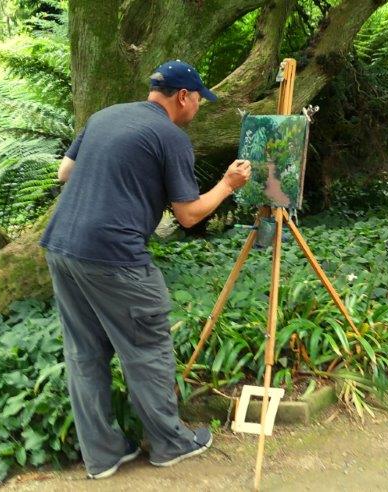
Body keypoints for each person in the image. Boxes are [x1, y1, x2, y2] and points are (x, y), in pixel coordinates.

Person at [41, 60, 251, 479]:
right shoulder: (170, 136)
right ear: (183, 97)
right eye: (198, 102)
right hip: (115, 255)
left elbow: (66, 171)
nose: (197, 110)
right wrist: (228, 185)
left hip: (61, 246)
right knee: (147, 347)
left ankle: (102, 456)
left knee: (84, 353)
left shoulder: (105, 115)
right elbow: (189, 215)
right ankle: (171, 443)